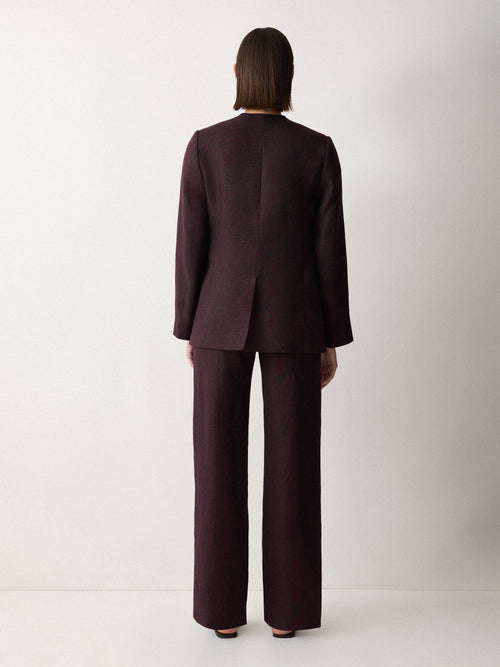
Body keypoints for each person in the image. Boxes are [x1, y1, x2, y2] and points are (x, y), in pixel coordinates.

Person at [173, 27, 354, 639]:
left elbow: (191, 244)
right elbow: (328, 251)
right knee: (294, 468)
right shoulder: (316, 150)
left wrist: (190, 326)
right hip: (295, 323)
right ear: (289, 76)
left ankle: (222, 616)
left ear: (236, 73)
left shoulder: (205, 146)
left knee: (216, 467)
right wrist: (330, 336)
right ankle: (288, 616)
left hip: (217, 322)